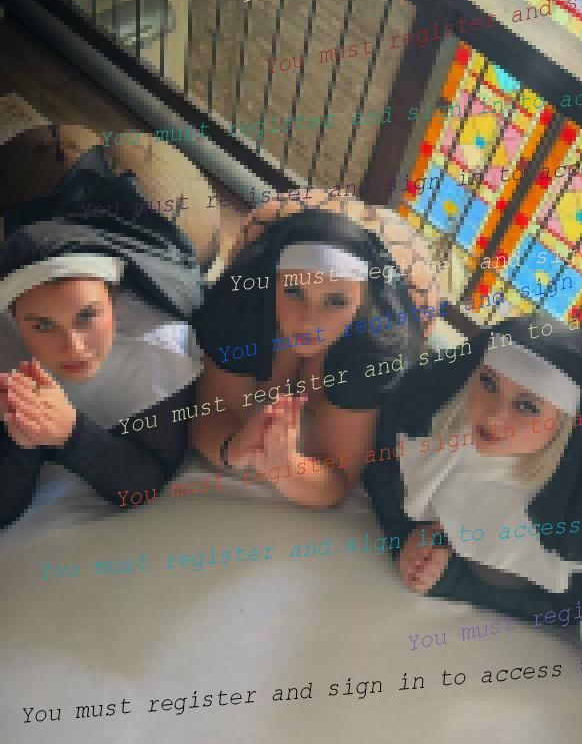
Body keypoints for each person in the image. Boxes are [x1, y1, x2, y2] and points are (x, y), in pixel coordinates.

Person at [363, 315, 582, 617]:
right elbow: (376, 470)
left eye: (527, 406)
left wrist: (454, 582)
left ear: (564, 424)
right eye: (489, 383)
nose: (493, 417)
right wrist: (403, 536)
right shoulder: (428, 422)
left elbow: (571, 606)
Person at [189, 193, 440, 508]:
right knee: (262, 223)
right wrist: (232, 448)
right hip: (280, 225)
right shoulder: (243, 309)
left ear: (362, 303)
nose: (309, 321)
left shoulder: (373, 350)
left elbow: (337, 478)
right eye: (294, 292)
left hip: (402, 270)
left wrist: (287, 469)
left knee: (415, 280)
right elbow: (211, 415)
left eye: (336, 301)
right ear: (272, 284)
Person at [0, 160, 206, 534]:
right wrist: (23, 443)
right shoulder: (7, 346)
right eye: (42, 325)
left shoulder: (159, 351)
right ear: (13, 319)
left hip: (139, 231)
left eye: (87, 316)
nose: (74, 347)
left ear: (113, 300)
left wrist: (72, 434)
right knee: (32, 165)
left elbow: (145, 484)